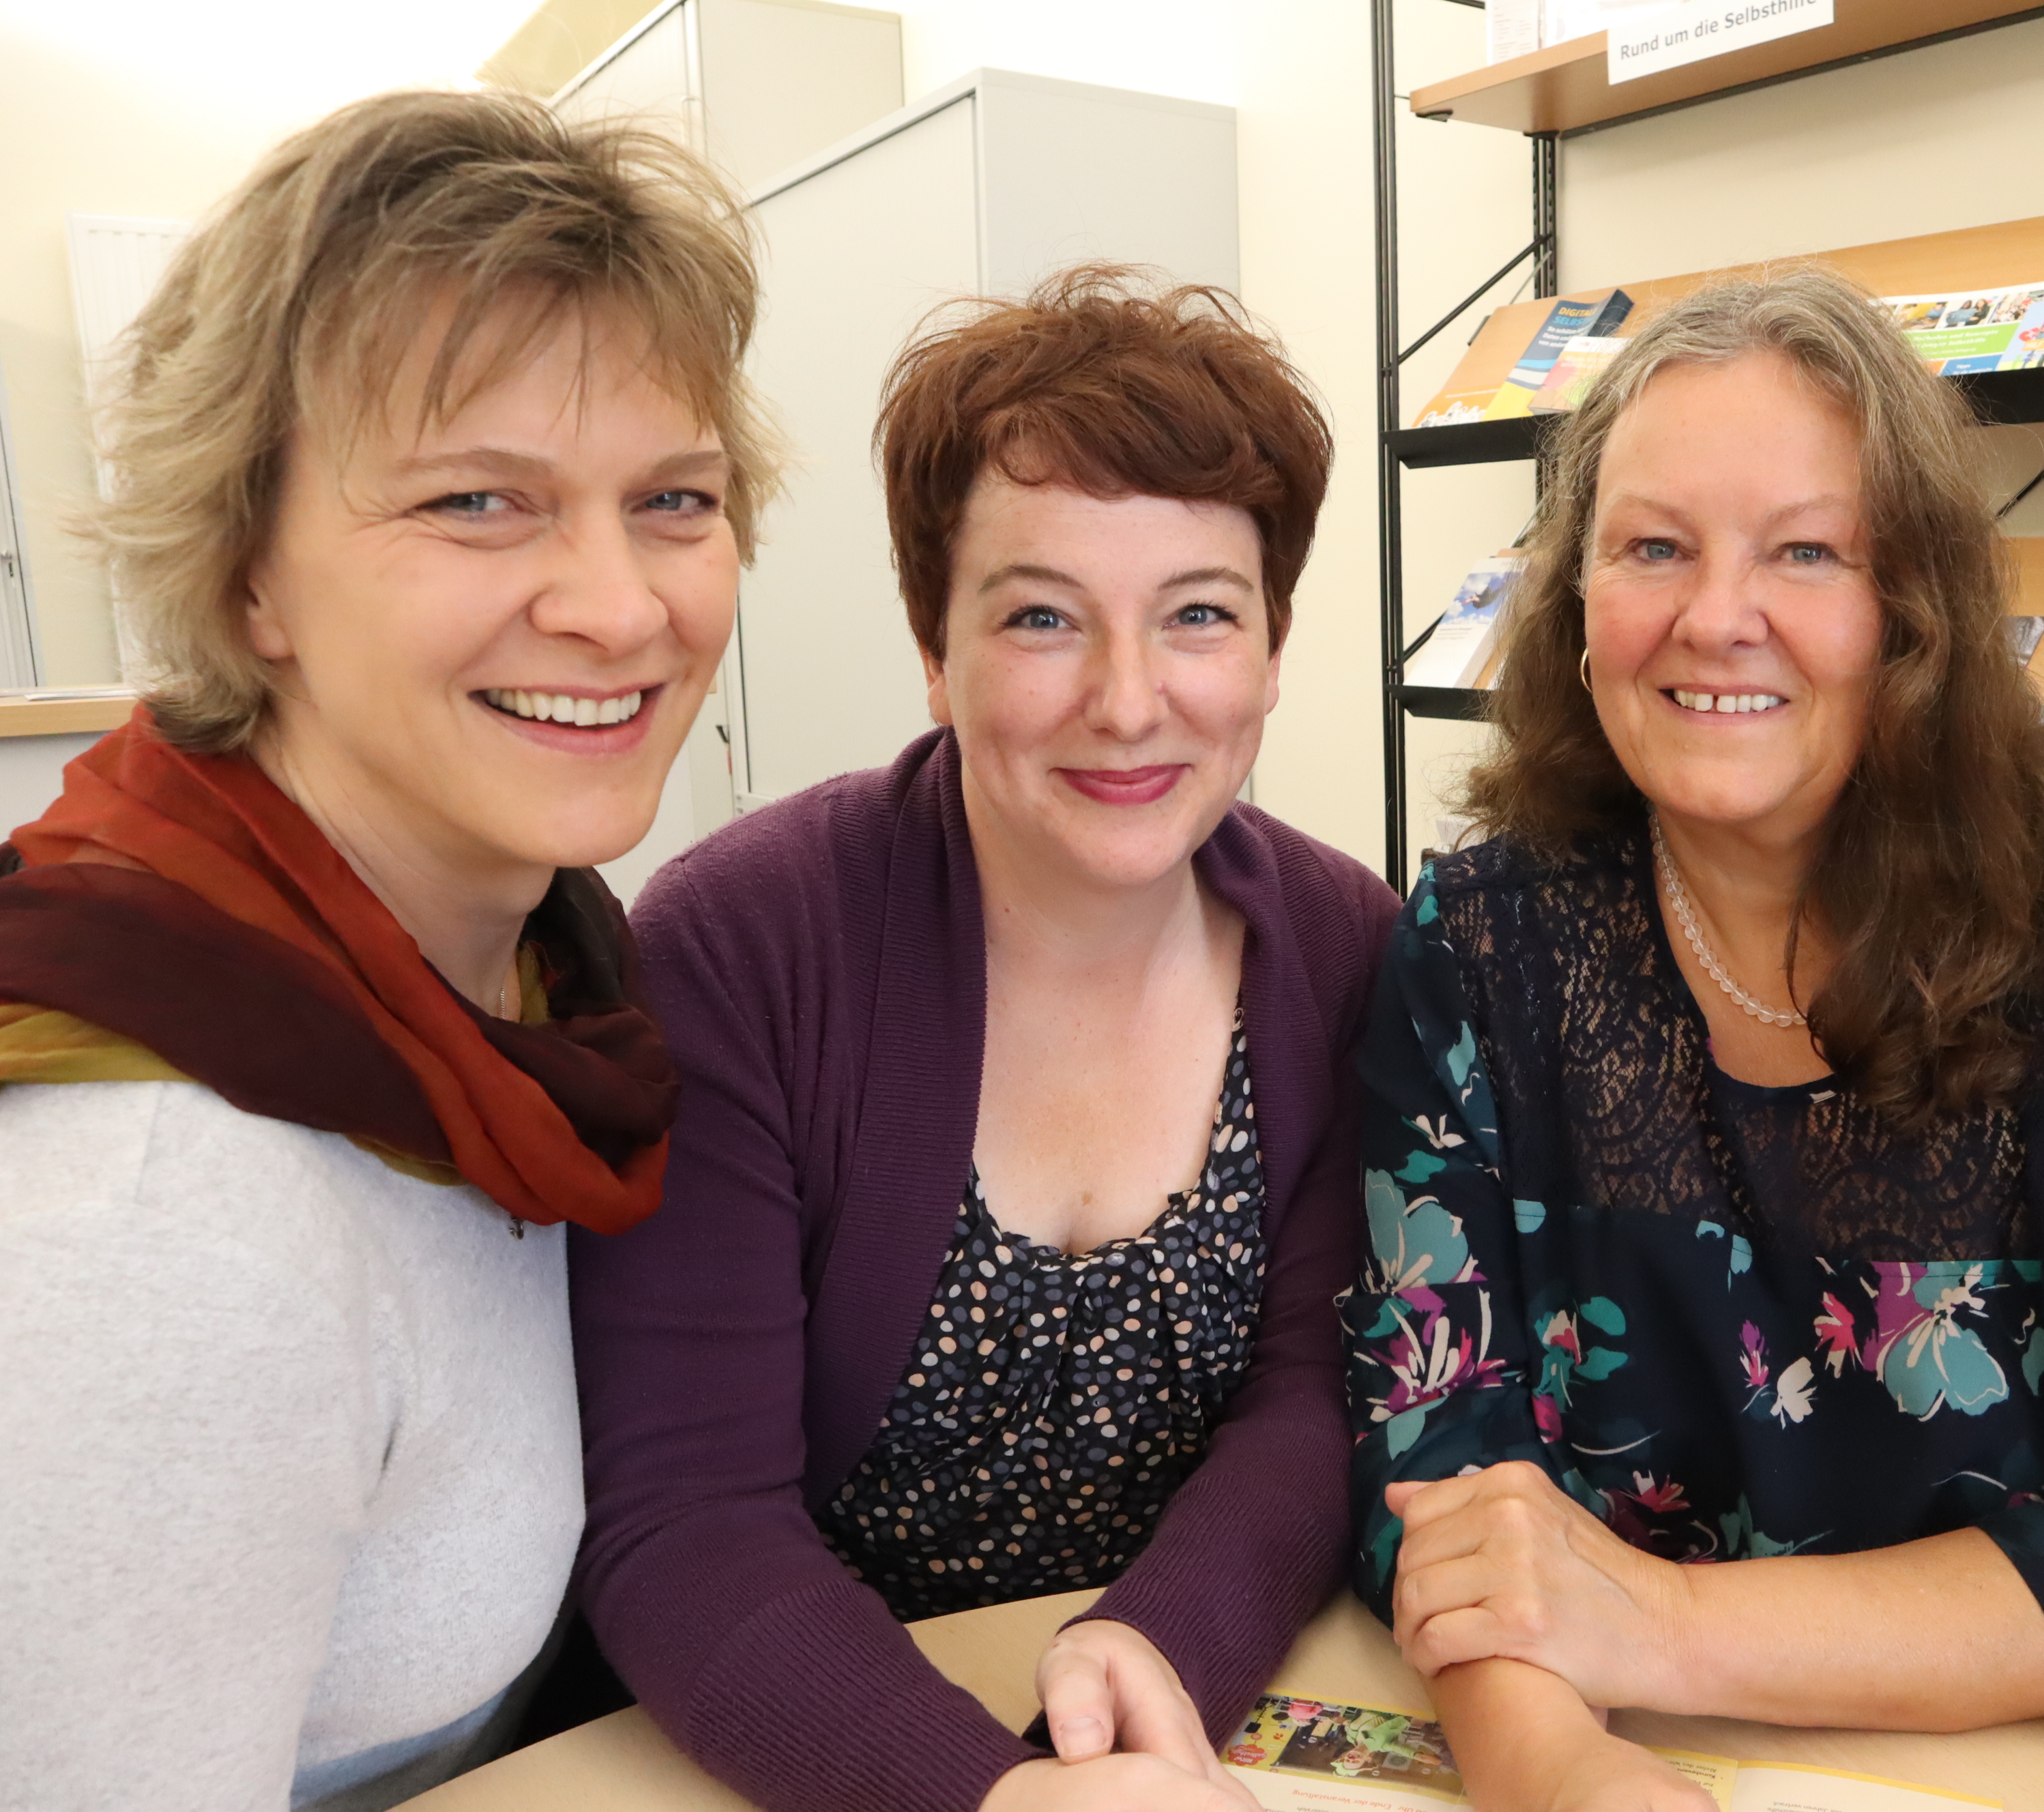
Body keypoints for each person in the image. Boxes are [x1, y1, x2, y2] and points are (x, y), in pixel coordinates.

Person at [1341, 269, 2044, 1812]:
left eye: (1805, 551)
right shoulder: (1476, 947)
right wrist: (1558, 1770)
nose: (1714, 616)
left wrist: (1653, 1622)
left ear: (1912, 613)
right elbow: (1433, 1460)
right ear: (1577, 603)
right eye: (1652, 547)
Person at [0, 91, 770, 1808]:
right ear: (248, 576)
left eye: (673, 497)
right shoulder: (155, 1223)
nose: (618, 605)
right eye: (479, 500)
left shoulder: (537, 981)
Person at [569, 268, 1397, 1812]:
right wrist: (989, 1795)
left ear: (1275, 644)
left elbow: (1310, 1399)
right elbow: (686, 1516)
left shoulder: (1345, 944)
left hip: (1168, 1732)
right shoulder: (742, 946)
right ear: (934, 647)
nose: (1129, 701)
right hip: (788, 1744)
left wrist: (1156, 1647)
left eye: (1199, 615)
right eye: (1040, 618)